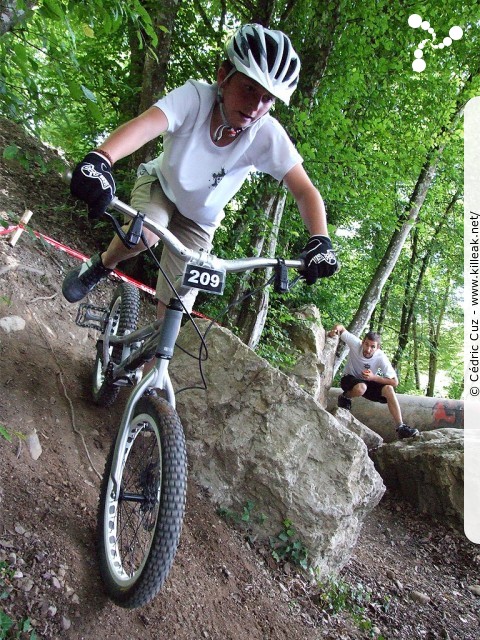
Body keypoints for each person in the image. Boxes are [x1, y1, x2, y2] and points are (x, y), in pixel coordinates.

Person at [62, 24, 338, 317]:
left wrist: (320, 239)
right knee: (149, 232)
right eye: (248, 88)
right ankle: (103, 264)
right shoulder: (195, 98)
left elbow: (305, 190)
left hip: (200, 222)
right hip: (161, 187)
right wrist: (102, 158)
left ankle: (151, 364)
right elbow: (145, 125)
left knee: (175, 312)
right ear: (223, 77)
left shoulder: (266, 133)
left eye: (267, 98)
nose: (256, 106)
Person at [327, 323, 419, 439]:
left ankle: (401, 427)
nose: (368, 349)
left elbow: (394, 382)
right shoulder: (355, 344)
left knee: (389, 389)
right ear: (362, 342)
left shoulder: (381, 357)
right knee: (361, 387)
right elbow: (340, 327)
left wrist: (374, 378)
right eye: (366, 344)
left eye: (372, 346)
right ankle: (345, 397)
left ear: (378, 348)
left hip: (369, 381)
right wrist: (334, 330)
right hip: (349, 379)